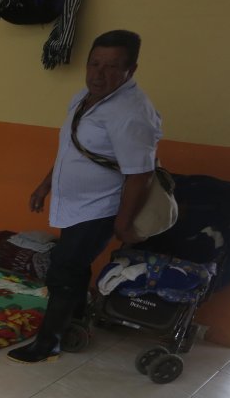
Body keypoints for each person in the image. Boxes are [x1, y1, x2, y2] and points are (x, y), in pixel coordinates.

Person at [9, 30, 162, 364]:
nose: (99, 73)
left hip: (101, 208)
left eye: (111, 67)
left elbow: (140, 173)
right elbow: (71, 150)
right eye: (94, 64)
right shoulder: (84, 98)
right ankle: (74, 320)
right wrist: (45, 185)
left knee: (62, 270)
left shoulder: (131, 112)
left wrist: (123, 224)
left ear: (130, 70)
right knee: (74, 267)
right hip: (74, 204)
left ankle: (48, 343)